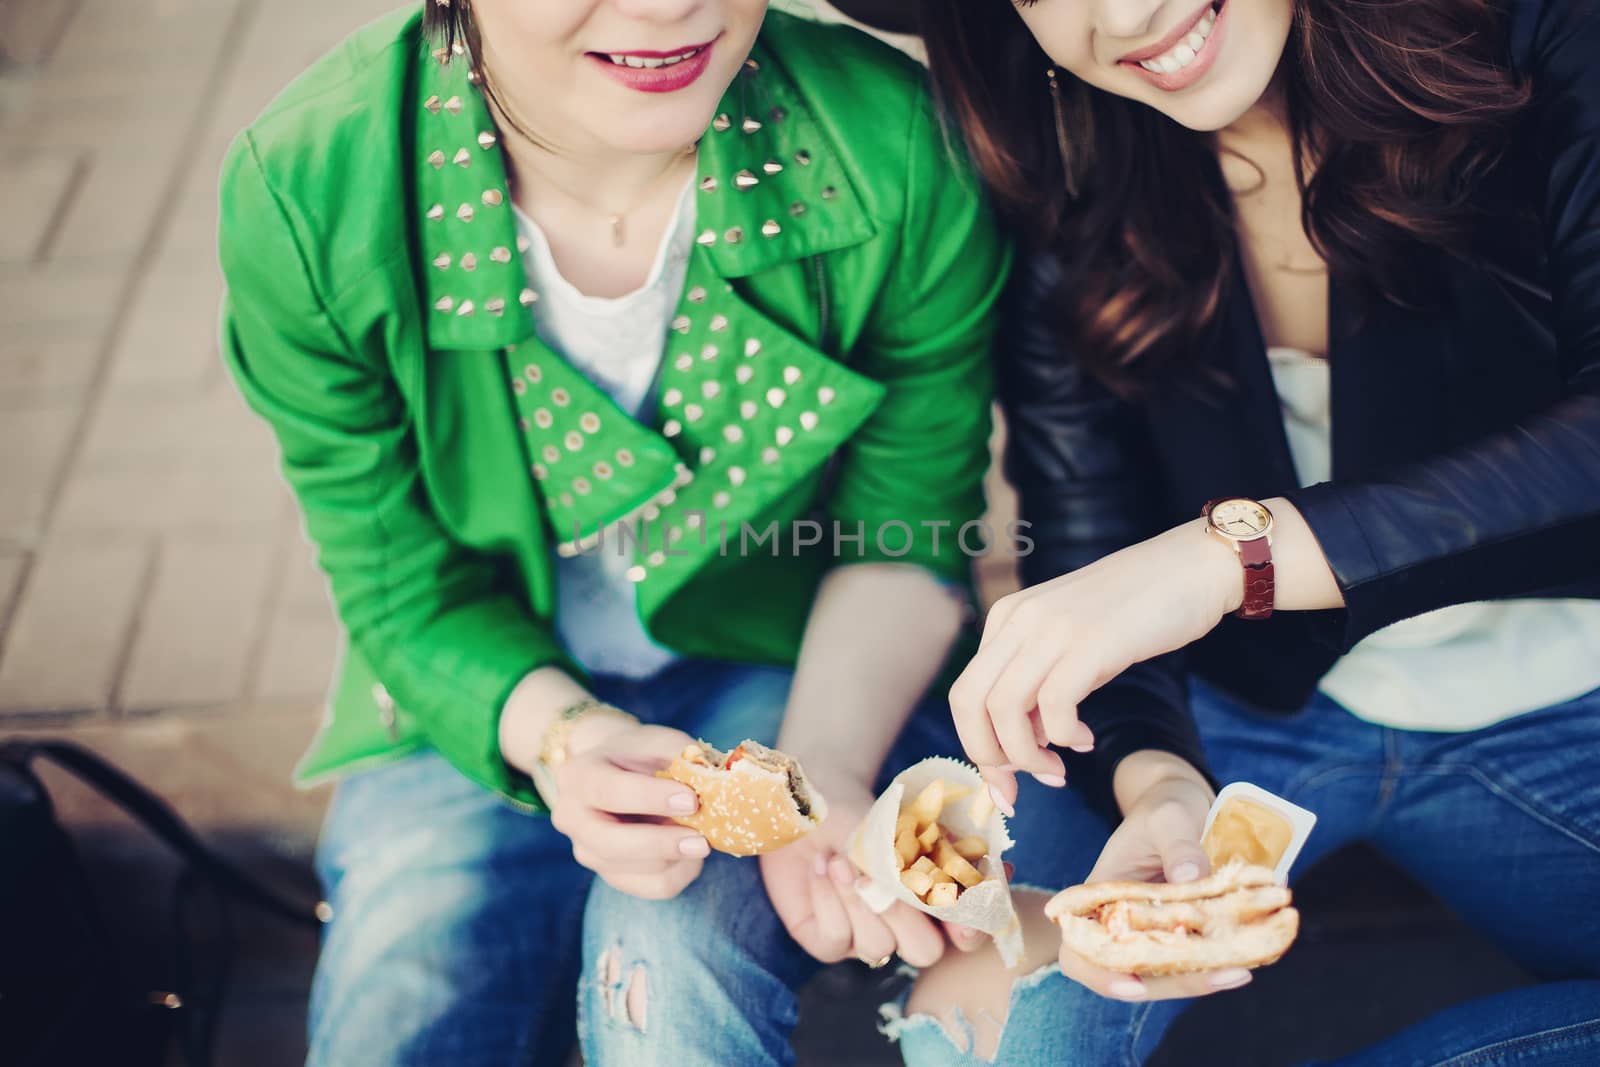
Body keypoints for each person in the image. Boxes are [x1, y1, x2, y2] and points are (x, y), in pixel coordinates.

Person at [215, 1, 1009, 1063]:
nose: (665, 5)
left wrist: (819, 769)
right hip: (479, 689)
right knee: (400, 1007)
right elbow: (401, 584)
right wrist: (564, 739)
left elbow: (902, 530)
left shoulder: (901, 144)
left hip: (794, 660)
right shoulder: (309, 190)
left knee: (668, 979)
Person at [893, 0, 1600, 1063]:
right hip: (1244, 711)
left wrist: (1231, 555)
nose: (1125, 13)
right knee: (977, 1036)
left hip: (1569, 699)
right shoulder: (1079, 168)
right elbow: (1089, 535)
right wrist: (1158, 782)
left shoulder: (1547, 39)